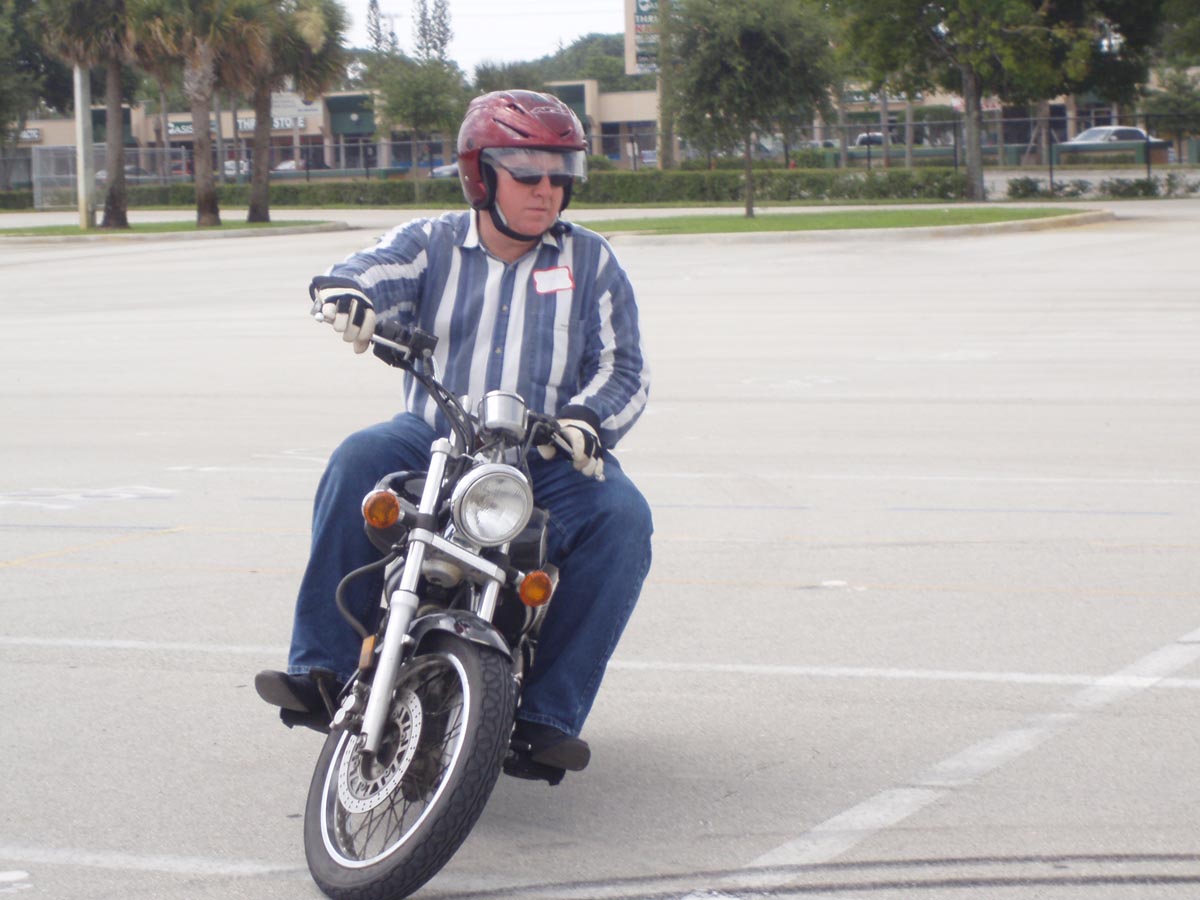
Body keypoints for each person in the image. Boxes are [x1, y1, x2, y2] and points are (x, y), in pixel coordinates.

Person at [255, 90, 653, 779]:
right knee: (358, 458)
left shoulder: (592, 261)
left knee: (624, 519)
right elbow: (368, 271)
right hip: (434, 439)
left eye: (560, 175)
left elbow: (625, 368)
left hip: (545, 457)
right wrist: (346, 294)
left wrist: (588, 420)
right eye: (528, 174)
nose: (548, 190)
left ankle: (548, 716)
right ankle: (320, 669)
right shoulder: (431, 242)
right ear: (480, 175)